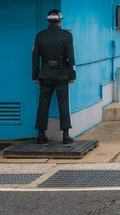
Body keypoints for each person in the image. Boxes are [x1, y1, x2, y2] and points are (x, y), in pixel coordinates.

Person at [32, 9, 76, 145]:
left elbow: (35, 57)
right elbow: (71, 57)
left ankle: (41, 134)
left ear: (48, 20)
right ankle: (66, 135)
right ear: (60, 20)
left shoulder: (40, 36)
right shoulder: (67, 36)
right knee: (63, 104)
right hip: (61, 74)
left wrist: (36, 75)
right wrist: (71, 74)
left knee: (43, 104)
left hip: (45, 74)